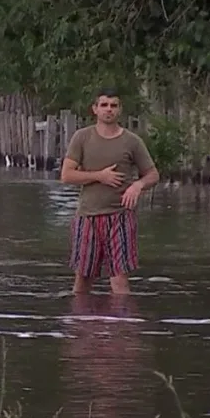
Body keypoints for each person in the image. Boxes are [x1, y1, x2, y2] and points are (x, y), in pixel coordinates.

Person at [59, 88, 159, 295]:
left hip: (121, 216)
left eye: (113, 105)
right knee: (83, 278)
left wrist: (138, 185)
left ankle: (122, 324)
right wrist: (99, 176)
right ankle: (81, 322)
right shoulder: (82, 137)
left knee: (120, 278)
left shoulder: (132, 141)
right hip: (88, 216)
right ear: (95, 109)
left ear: (120, 110)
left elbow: (152, 174)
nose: (109, 110)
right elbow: (67, 175)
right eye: (104, 105)